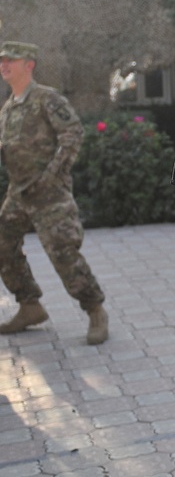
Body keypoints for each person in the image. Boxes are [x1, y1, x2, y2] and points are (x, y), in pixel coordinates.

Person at [0, 41, 108, 345]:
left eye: (11, 59)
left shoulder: (46, 98)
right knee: (3, 245)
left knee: (63, 253)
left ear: (29, 64)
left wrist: (52, 175)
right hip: (18, 193)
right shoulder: (9, 107)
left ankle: (95, 310)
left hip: (49, 194)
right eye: (2, 60)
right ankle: (29, 306)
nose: (4, 65)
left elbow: (72, 134)